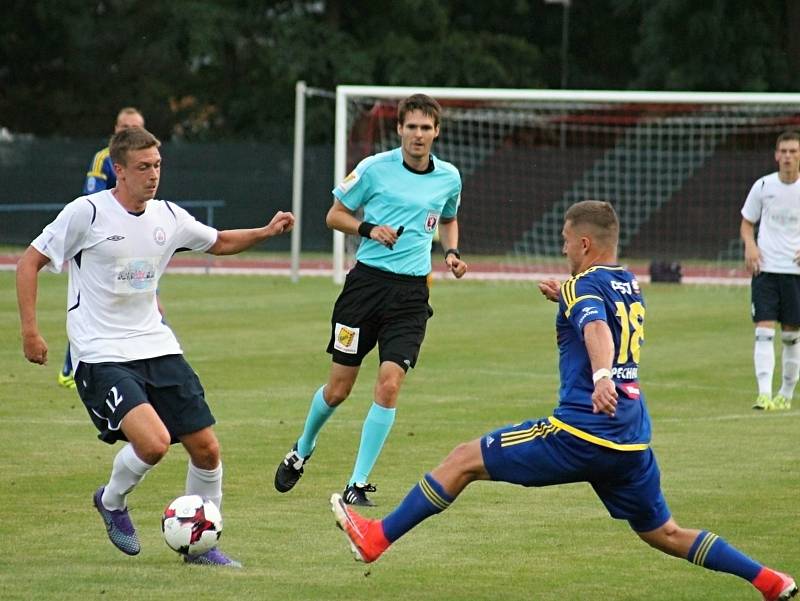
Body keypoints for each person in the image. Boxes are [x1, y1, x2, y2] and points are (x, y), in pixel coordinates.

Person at [330, 200, 797, 601]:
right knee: (666, 533)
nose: (562, 247)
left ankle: (378, 537)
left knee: (462, 460)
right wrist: (565, 300)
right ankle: (769, 580)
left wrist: (599, 376)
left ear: (585, 245)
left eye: (565, 240)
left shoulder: (581, 286)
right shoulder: (628, 283)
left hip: (581, 431)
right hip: (630, 442)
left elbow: (596, 329)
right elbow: (599, 317)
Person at [17, 126, 294, 566]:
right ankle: (110, 501)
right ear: (119, 171)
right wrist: (31, 331)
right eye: (143, 167)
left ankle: (201, 547)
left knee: (207, 449)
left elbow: (218, 242)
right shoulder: (86, 213)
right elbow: (29, 261)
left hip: (157, 346)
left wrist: (265, 232)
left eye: (158, 166)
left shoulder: (167, 215)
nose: (153, 175)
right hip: (101, 353)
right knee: (154, 443)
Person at [274, 94, 467, 506]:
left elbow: (448, 218)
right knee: (339, 389)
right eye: (411, 127)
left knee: (390, 382)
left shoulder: (449, 177)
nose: (418, 134)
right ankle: (301, 448)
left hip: (413, 294)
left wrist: (450, 252)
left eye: (425, 127)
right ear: (399, 129)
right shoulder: (373, 169)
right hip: (365, 289)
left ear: (437, 131)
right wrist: (368, 229)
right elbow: (333, 215)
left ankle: (357, 484)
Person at [58, 107, 147, 389]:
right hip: (105, 248)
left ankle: (136, 363)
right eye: (124, 127)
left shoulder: (147, 160)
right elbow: (92, 199)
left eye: (134, 127)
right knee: (100, 308)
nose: (128, 132)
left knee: (139, 302)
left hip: (135, 247)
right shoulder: (104, 158)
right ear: (115, 129)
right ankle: (71, 366)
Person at [741, 130, 800, 411]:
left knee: (791, 336)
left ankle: (786, 394)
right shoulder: (763, 186)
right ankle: (763, 394)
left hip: (795, 272)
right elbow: (746, 222)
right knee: (763, 332)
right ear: (776, 155)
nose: (788, 156)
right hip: (765, 270)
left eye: (793, 151)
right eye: (784, 151)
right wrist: (750, 246)